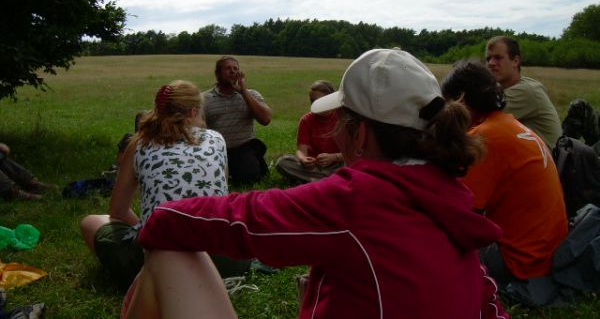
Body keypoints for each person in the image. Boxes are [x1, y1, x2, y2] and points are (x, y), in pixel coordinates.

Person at [123, 48, 503, 319]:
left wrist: (155, 220)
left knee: (167, 253)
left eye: (340, 122)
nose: (335, 133)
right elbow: (487, 299)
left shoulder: (358, 198)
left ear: (360, 134)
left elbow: (244, 218)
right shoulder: (450, 195)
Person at [80, 80, 248, 291]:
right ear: (194, 111)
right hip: (226, 261)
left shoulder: (139, 143)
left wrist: (147, 224)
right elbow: (221, 195)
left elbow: (118, 210)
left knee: (90, 222)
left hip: (157, 267)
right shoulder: (216, 139)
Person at [441, 60, 568, 286]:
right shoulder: (511, 126)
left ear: (461, 102)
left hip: (519, 263)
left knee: (433, 240)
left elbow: (459, 213)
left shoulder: (484, 137)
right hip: (548, 255)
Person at [203, 56, 272, 185]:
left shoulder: (252, 95)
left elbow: (266, 119)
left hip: (243, 148)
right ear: (218, 74)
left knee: (249, 178)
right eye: (227, 68)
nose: (233, 71)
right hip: (215, 150)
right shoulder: (205, 99)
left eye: (236, 68)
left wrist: (243, 92)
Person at [485, 36, 562, 149]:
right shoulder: (509, 87)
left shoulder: (527, 91)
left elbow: (478, 118)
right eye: (488, 59)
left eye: (498, 58)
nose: (491, 63)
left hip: (548, 163)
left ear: (515, 61)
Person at [276, 80, 343, 183]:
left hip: (338, 164)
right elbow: (301, 150)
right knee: (283, 162)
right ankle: (332, 180)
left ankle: (316, 180)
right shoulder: (306, 120)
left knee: (353, 164)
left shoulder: (343, 117)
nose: (316, 104)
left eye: (321, 101)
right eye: (313, 101)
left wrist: (334, 157)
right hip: (314, 167)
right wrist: (303, 159)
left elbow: (355, 152)